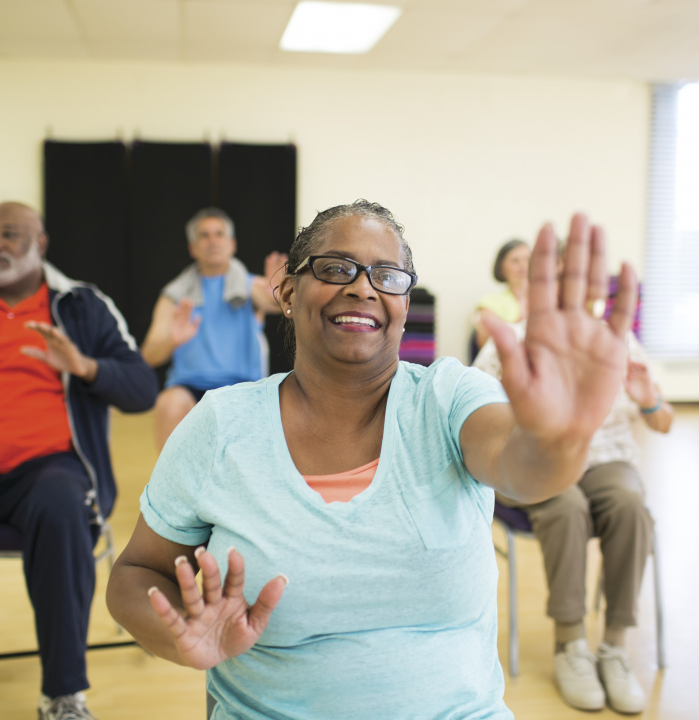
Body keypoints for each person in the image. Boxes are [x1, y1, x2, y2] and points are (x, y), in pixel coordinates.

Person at [106, 199, 638, 720]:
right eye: (337, 268)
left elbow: (525, 472)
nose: (363, 286)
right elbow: (135, 571)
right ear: (289, 292)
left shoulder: (449, 396)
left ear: (405, 303)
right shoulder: (222, 423)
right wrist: (179, 635)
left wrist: (561, 436)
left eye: (388, 275)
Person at [0, 202, 158, 720]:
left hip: (44, 473)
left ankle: (61, 695)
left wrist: (83, 366)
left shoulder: (81, 307)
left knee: (62, 505)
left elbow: (142, 388)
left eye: (9, 234)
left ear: (41, 243)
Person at [474, 319, 672, 714]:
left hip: (606, 461)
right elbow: (473, 415)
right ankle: (571, 646)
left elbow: (662, 421)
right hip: (533, 465)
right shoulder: (509, 341)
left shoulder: (619, 341)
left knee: (630, 504)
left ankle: (615, 648)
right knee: (567, 507)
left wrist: (648, 398)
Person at [140, 207, 287, 450]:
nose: (212, 241)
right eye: (204, 235)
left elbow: (274, 304)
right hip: (189, 388)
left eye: (219, 234)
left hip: (241, 388)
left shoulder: (251, 286)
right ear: (193, 248)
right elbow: (147, 356)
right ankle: (172, 487)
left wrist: (281, 293)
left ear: (232, 244)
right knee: (169, 403)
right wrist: (172, 341)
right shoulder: (173, 296)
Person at [471, 238, 530, 355]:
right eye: (515, 261)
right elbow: (485, 343)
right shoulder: (489, 303)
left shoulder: (550, 300)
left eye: (528, 259)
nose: (523, 266)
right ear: (501, 269)